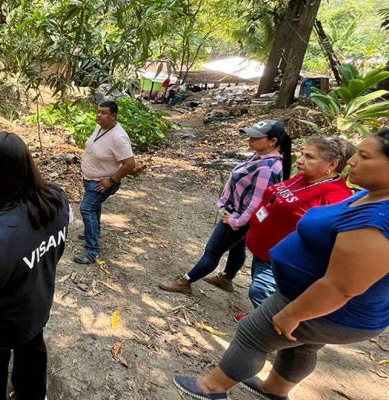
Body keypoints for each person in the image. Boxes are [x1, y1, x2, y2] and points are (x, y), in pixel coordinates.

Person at [171, 129, 389, 400]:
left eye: (365, 156)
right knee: (300, 346)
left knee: (253, 334)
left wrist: (293, 314)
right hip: (320, 300)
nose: (353, 161)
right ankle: (275, 390)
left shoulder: (379, 219)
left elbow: (341, 286)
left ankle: (212, 387)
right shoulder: (372, 196)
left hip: (327, 305)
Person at [0, 132, 71, 400]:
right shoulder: (57, 198)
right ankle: (31, 393)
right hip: (35, 305)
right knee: (31, 350)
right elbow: (55, 242)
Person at [159, 120, 292, 294]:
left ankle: (186, 281)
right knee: (237, 246)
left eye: (256, 137)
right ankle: (227, 278)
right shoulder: (261, 157)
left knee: (212, 252)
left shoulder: (268, 168)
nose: (250, 139)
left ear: (272, 141)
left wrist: (236, 221)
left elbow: (257, 202)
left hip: (239, 216)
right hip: (239, 213)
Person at [242, 136, 354, 314]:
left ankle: (266, 328)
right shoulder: (304, 178)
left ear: (332, 165)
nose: (300, 161)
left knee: (261, 291)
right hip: (263, 251)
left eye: (309, 157)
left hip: (283, 260)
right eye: (302, 154)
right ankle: (259, 316)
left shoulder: (336, 197)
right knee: (263, 290)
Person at [73, 100, 136, 264]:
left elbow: (130, 164)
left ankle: (92, 251)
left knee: (86, 208)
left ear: (114, 116)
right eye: (98, 111)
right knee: (94, 207)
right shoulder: (101, 127)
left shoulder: (119, 137)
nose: (99, 115)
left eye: (104, 113)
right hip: (90, 178)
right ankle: (94, 231)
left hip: (102, 181)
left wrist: (111, 180)